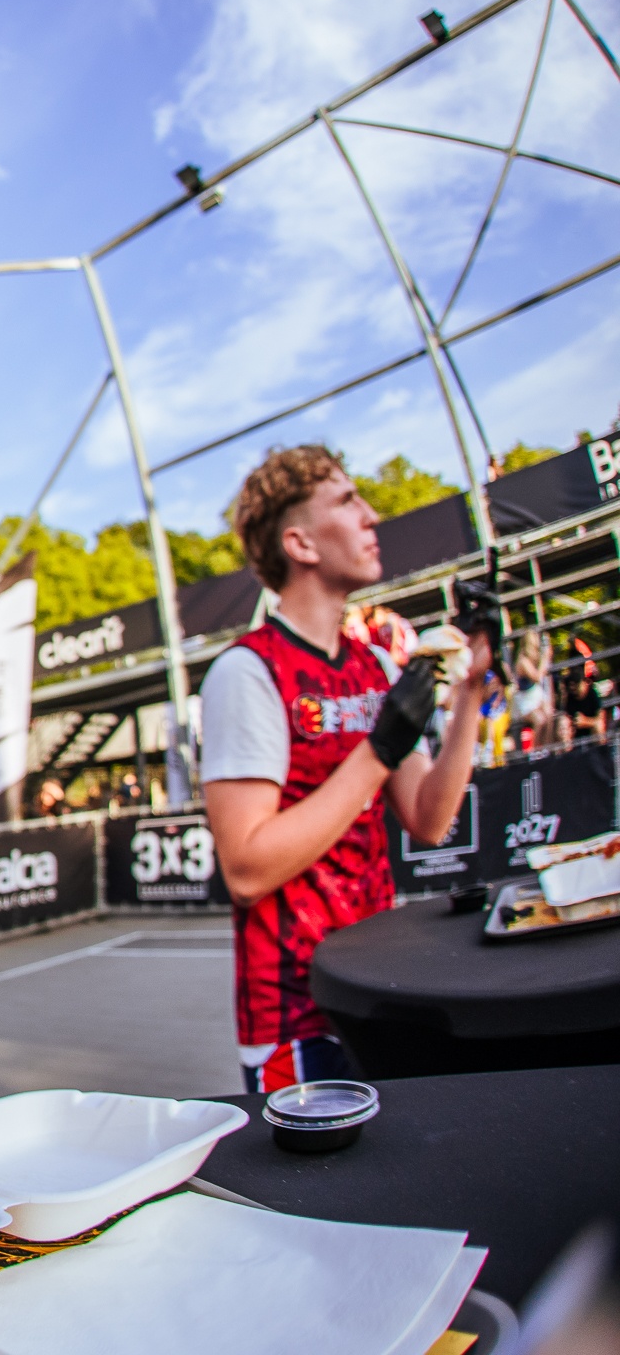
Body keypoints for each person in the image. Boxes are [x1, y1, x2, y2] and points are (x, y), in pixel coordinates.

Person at [200, 446, 494, 1093]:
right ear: (300, 544)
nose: (371, 515)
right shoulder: (248, 671)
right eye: (347, 500)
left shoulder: (374, 666)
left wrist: (471, 689)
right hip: (296, 1014)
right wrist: (379, 750)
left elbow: (430, 819)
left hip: (380, 980)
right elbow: (247, 870)